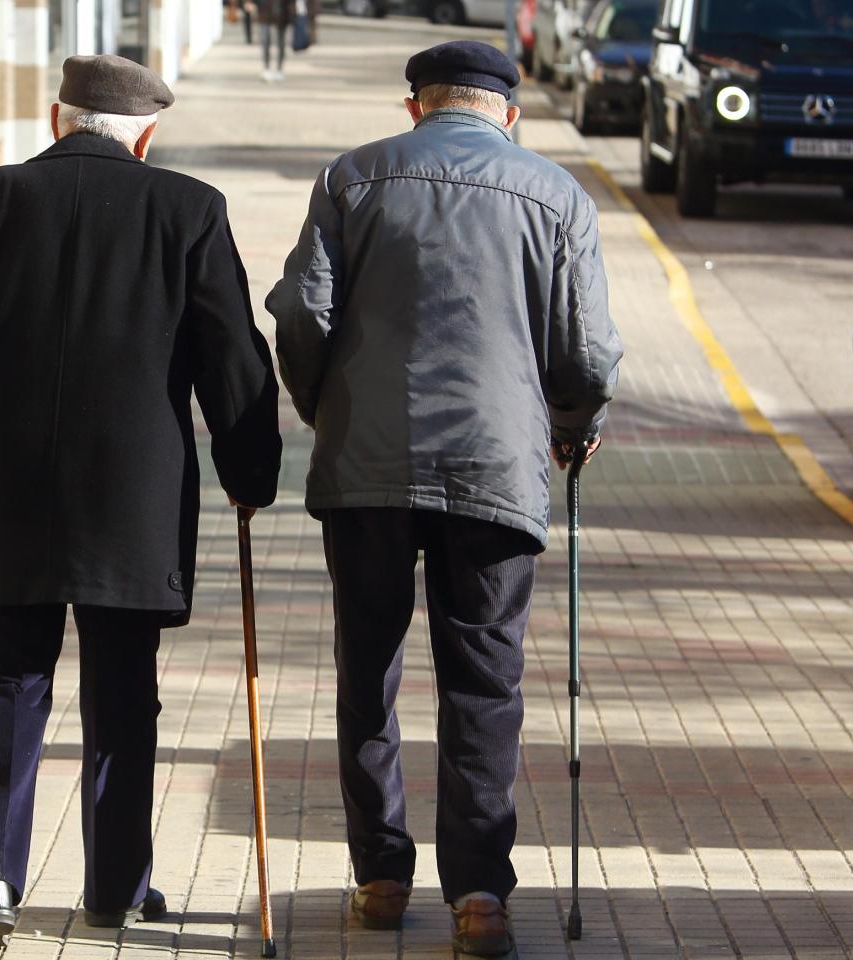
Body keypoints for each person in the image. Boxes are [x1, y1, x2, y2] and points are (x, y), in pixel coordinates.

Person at [0, 54, 283, 952]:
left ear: (58, 121)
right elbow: (234, 360)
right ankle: (115, 885)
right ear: (143, 135)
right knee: (122, 686)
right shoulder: (188, 210)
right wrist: (249, 473)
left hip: (1, 488)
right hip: (130, 498)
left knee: (4, 679)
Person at [266, 40, 622, 959]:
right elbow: (585, 354)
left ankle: (382, 877)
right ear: (509, 113)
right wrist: (573, 424)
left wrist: (324, 407)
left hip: (367, 469)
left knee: (367, 670)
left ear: (415, 106)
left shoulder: (352, 180)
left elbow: (302, 316)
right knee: (484, 683)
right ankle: (478, 899)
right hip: (497, 473)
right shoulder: (558, 196)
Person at [254, 0, 297, 81]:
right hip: (264, 10)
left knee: (281, 42)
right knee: (265, 40)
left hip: (282, 11)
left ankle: (279, 70)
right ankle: (266, 69)